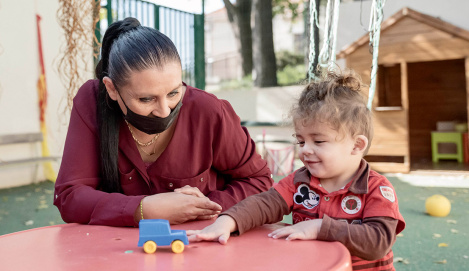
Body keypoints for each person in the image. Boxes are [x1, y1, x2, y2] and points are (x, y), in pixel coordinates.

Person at [53, 17, 273, 227]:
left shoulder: (209, 111)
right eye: (146, 99)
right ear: (111, 88)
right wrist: (144, 209)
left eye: (173, 92)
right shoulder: (92, 101)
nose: (164, 111)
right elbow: (70, 196)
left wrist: (205, 206)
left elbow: (259, 181)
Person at [187, 70, 406, 270]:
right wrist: (229, 220)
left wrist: (320, 228)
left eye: (318, 142)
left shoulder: (377, 188)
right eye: (301, 142)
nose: (306, 150)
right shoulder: (298, 182)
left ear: (356, 145)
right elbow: (264, 204)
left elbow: (378, 241)